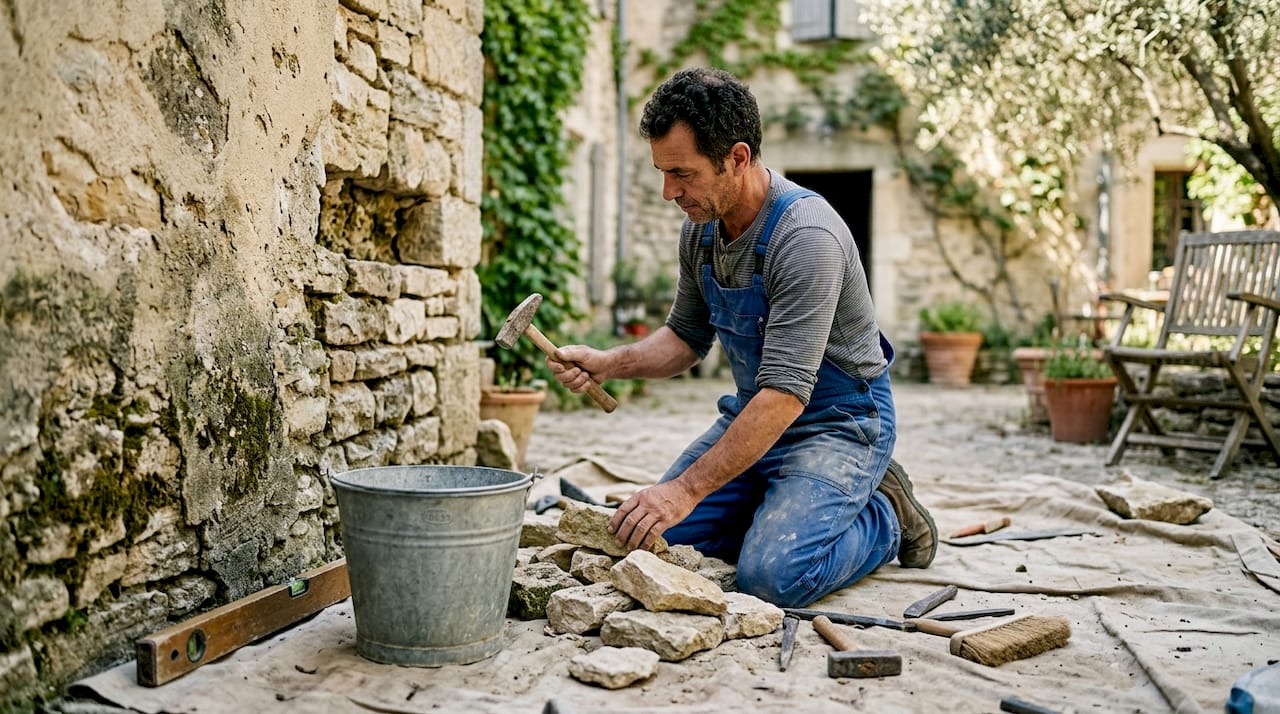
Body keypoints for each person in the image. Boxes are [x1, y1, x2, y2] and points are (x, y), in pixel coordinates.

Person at [548, 67, 936, 608]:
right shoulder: (701, 228)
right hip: (755, 418)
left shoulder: (806, 237)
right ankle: (785, 507)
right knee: (651, 539)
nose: (668, 192)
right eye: (662, 172)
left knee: (772, 577)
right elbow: (685, 337)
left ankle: (885, 513)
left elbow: (783, 396)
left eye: (681, 173)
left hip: (837, 424)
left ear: (737, 157)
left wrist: (685, 490)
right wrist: (609, 362)